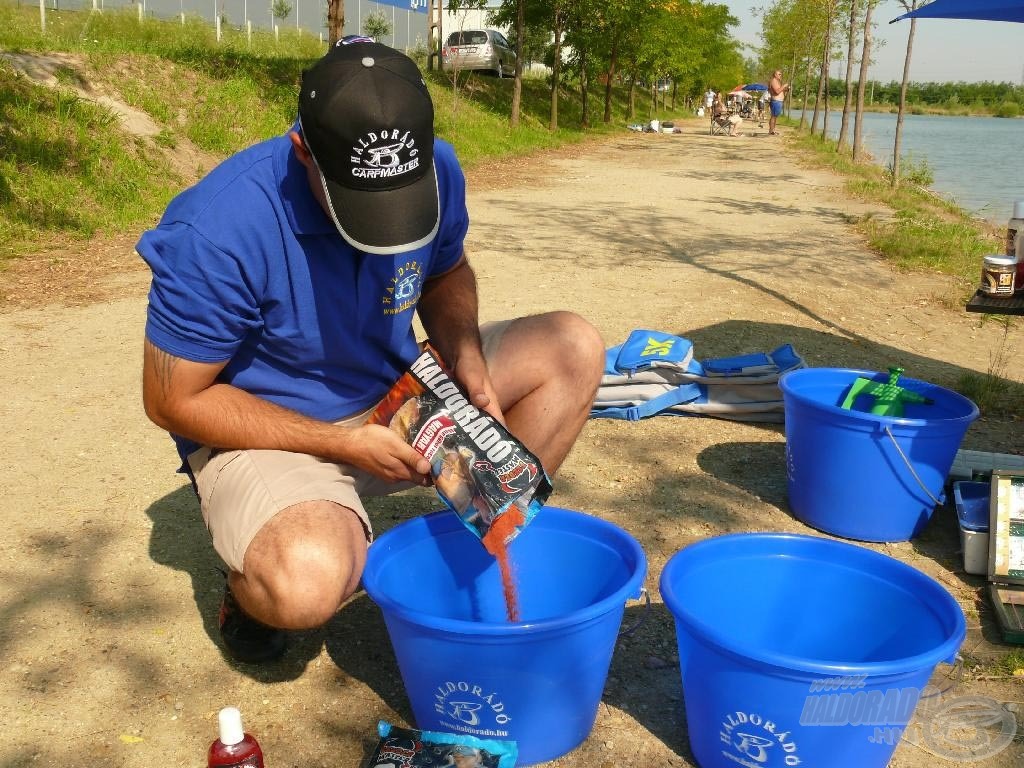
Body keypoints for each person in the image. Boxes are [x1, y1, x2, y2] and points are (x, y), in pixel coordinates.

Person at [136, 40, 605, 664]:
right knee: (304, 583)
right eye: (360, 205)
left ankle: (464, 562)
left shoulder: (436, 168)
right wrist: (340, 444)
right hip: (271, 429)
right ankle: (255, 573)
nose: (387, 226)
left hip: (396, 393)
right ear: (303, 149)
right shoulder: (217, 232)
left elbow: (446, 271)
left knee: (573, 347)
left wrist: (464, 352)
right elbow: (171, 400)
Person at [768, 69, 790, 136]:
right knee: (773, 116)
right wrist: (784, 86)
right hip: (776, 101)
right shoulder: (774, 81)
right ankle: (771, 131)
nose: (781, 75)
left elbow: (780, 90)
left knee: (775, 116)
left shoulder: (777, 81)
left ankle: (772, 130)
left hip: (778, 101)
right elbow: (777, 92)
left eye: (781, 74)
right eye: (779, 74)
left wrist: (787, 89)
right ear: (775, 75)